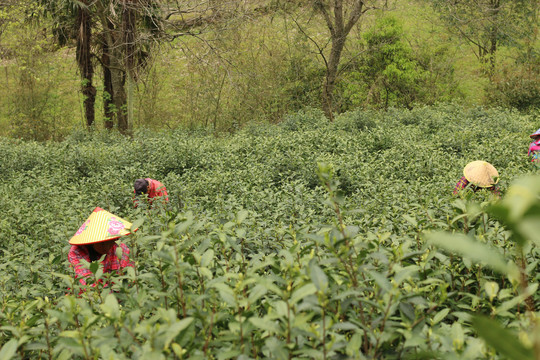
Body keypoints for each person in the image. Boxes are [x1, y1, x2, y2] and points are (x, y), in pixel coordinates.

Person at [68, 207, 137, 288]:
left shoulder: (121, 249)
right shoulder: (77, 252)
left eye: (110, 241)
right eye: (102, 242)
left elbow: (130, 279)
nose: (107, 246)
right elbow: (88, 286)